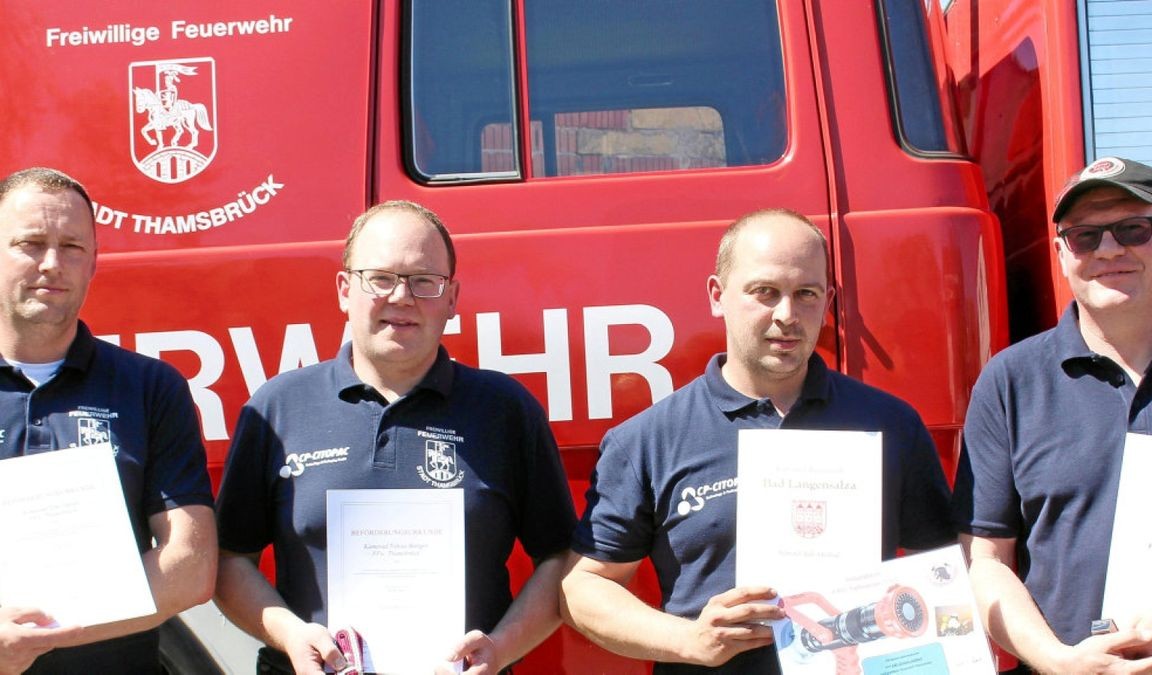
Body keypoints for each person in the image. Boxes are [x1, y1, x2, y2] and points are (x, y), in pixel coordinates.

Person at [559, 208, 955, 673]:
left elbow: (946, 567)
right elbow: (582, 588)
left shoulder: (890, 424)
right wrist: (690, 640)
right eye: (764, 292)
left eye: (805, 294)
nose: (787, 315)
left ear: (827, 301)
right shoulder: (647, 439)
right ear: (717, 295)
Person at [213, 200, 577, 674]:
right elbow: (227, 560)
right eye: (380, 278)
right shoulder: (278, 407)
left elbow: (563, 559)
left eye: (425, 281)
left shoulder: (505, 409)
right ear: (345, 289)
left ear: (452, 298)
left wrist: (502, 648)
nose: (402, 297)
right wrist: (290, 634)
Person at [952, 156, 1152, 673]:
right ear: (1062, 253)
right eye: (1085, 237)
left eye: (1133, 228)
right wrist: (1059, 661)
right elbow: (986, 559)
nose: (1109, 249)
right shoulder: (1010, 381)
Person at [0, 167, 216, 674]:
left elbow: (190, 566)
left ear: (94, 262)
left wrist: (43, 635)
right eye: (31, 243)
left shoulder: (150, 387)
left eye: (73, 246)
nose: (52, 263)